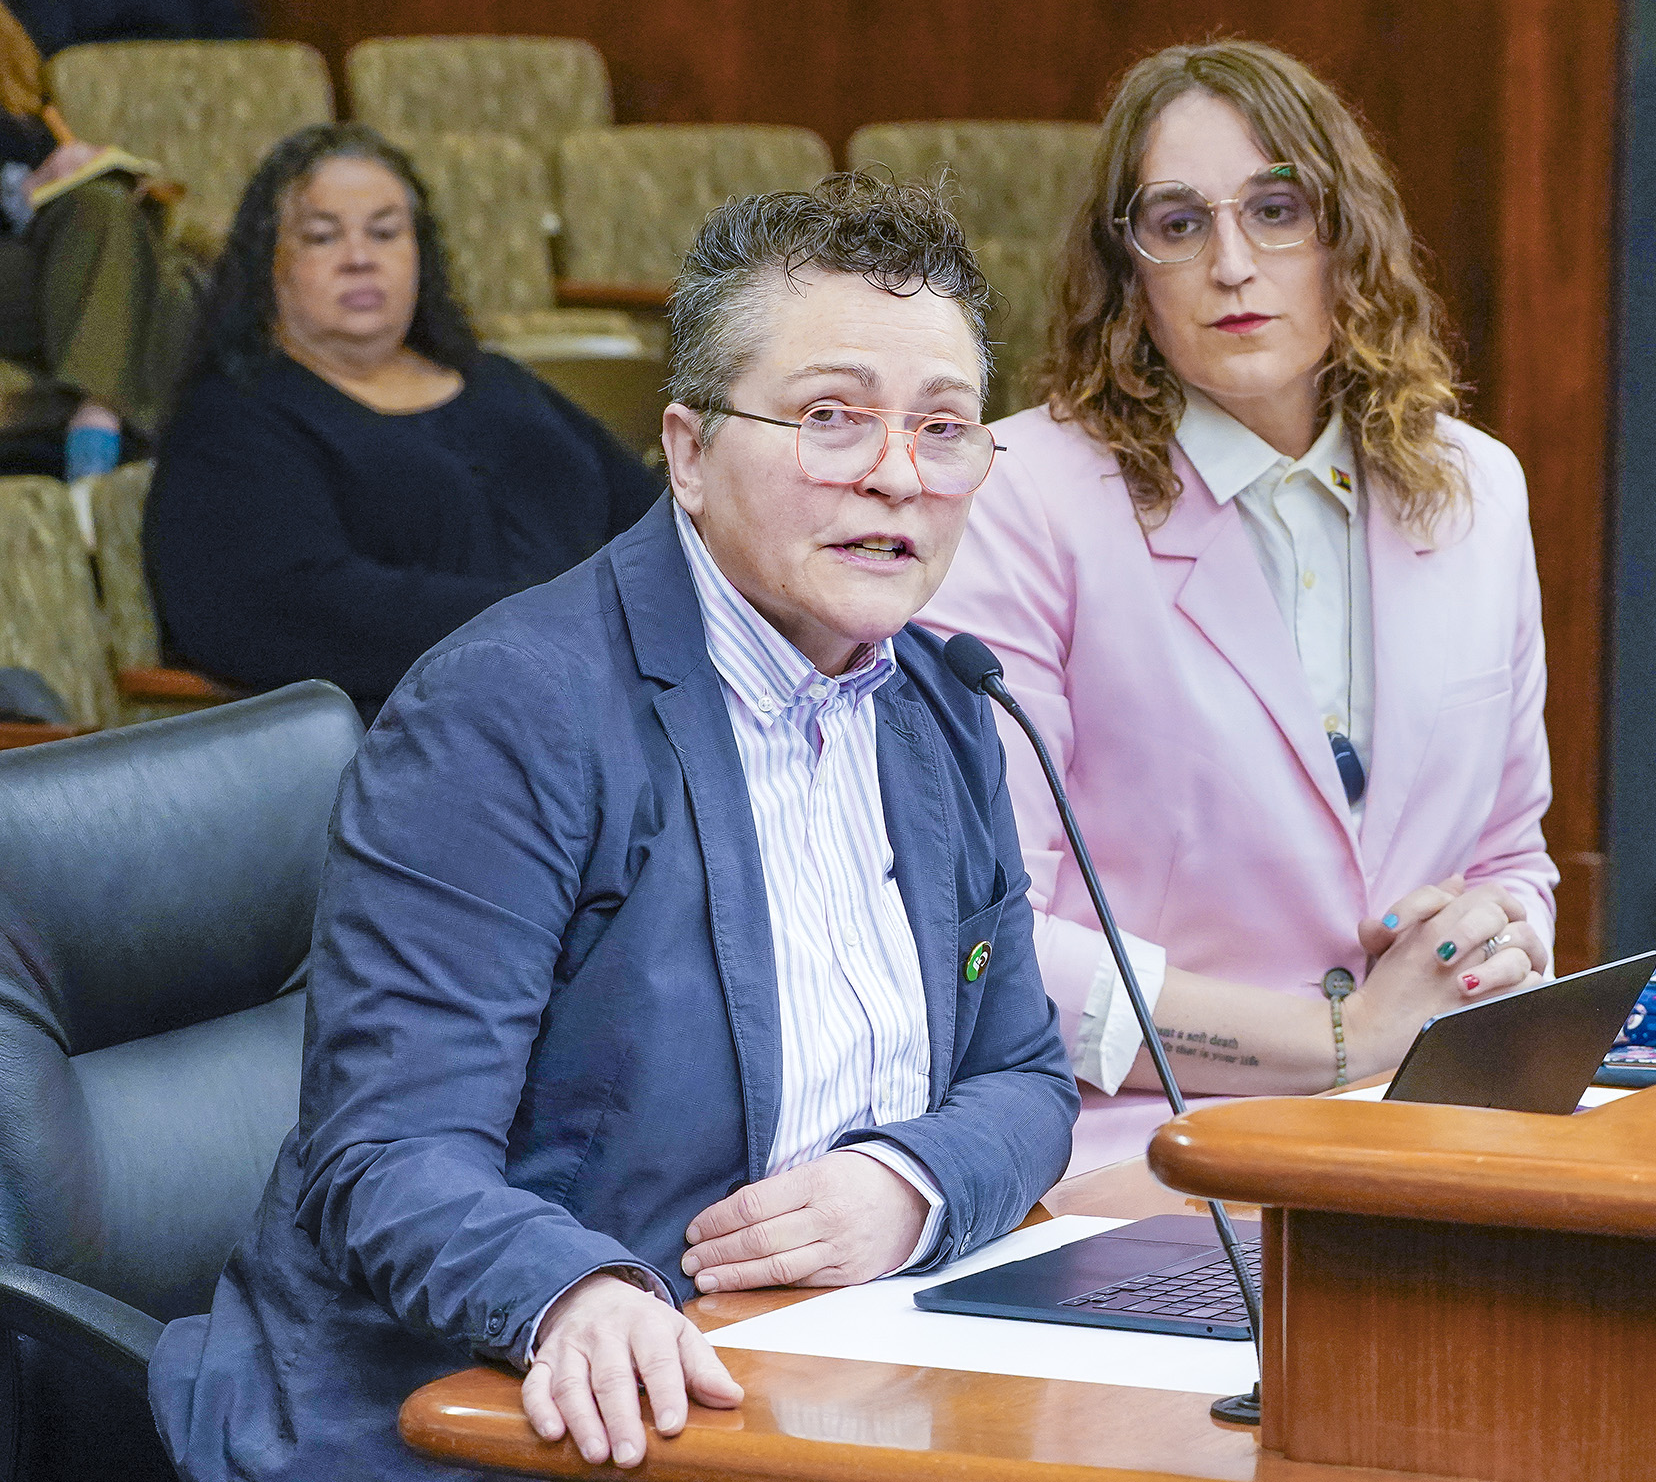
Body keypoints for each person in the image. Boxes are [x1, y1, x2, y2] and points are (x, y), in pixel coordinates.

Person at [145, 171, 1077, 1481]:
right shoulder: (504, 715)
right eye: (830, 419)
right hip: (483, 1415)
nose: (897, 478)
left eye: (944, 430)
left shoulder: (941, 702)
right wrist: (574, 1294)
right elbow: (387, 1157)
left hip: (817, 1382)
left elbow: (1027, 1077)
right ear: (688, 454)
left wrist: (907, 1186)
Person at [920, 40, 1559, 1175]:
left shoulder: (1478, 487)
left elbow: (1512, 853)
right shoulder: (1019, 499)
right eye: (1177, 223)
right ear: (1128, 268)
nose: (1231, 264)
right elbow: (985, 939)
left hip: (1441, 1134)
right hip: (1147, 1155)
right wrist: (1339, 1040)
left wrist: (1484, 949)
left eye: (1277, 209)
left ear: (1345, 236)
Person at [144, 124, 658, 722]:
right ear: (268, 266)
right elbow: (286, 607)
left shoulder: (496, 380)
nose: (360, 259)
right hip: (422, 735)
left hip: (619, 698)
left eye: (385, 233)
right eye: (322, 237)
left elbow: (648, 514)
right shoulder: (232, 419)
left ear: (420, 254)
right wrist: (559, 620)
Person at [0, 0, 197, 494]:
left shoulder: (11, 51)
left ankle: (106, 449)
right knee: (154, 275)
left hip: (40, 258)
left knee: (117, 215)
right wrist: (20, 194)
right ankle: (103, 441)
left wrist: (73, 167)